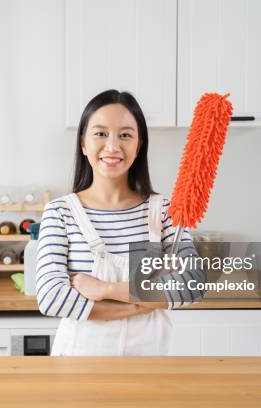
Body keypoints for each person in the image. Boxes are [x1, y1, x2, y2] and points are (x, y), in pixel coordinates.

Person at [36, 90, 205, 356]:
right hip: (79, 369)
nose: (113, 147)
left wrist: (105, 290)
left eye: (125, 135)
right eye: (100, 133)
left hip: (148, 368)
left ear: (138, 146)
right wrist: (144, 303)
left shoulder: (165, 211)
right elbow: (51, 298)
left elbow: (192, 283)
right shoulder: (60, 213)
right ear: (83, 143)